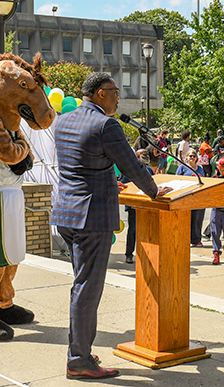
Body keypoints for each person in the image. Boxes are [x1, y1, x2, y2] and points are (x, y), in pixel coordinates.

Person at [52, 72, 170, 379]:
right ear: (101, 93)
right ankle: (78, 360)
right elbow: (131, 164)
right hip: (92, 217)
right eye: (115, 92)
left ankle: (79, 352)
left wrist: (108, 181)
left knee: (81, 285)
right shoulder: (106, 124)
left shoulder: (63, 121)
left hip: (66, 213)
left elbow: (80, 164)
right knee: (87, 289)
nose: (118, 97)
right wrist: (155, 191)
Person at [119, 148, 155, 264]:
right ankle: (129, 254)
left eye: (146, 154)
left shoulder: (149, 170)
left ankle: (145, 254)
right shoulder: (129, 170)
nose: (145, 156)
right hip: (134, 206)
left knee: (146, 231)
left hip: (148, 205)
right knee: (133, 230)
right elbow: (126, 187)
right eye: (142, 155)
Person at [177, 149, 206, 247]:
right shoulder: (182, 167)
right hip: (186, 196)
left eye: (194, 156)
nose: (192, 157)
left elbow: (204, 180)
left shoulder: (200, 168)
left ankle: (196, 239)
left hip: (198, 196)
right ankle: (185, 238)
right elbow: (176, 180)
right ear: (186, 158)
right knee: (186, 218)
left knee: (197, 219)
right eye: (190, 156)